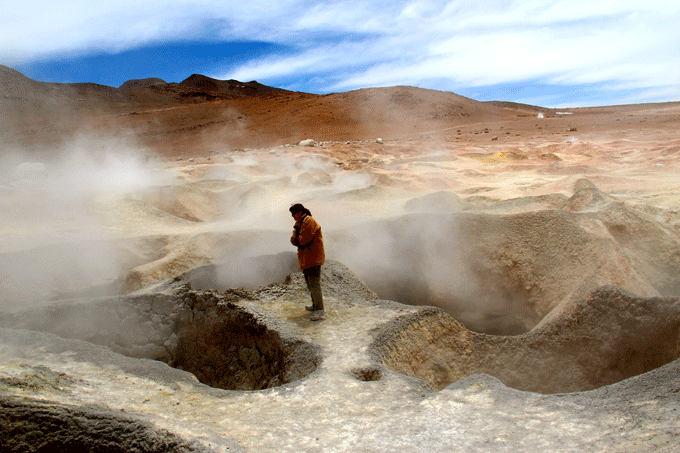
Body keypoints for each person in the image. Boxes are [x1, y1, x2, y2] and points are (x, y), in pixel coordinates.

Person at [289, 203, 325, 321]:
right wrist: (297, 239)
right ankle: (315, 306)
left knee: (314, 285)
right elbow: (293, 240)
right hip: (306, 259)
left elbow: (304, 239)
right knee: (310, 284)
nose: (293, 216)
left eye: (293, 213)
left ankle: (319, 310)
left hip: (313, 257)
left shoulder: (308, 221)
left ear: (299, 212)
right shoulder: (299, 223)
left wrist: (297, 240)